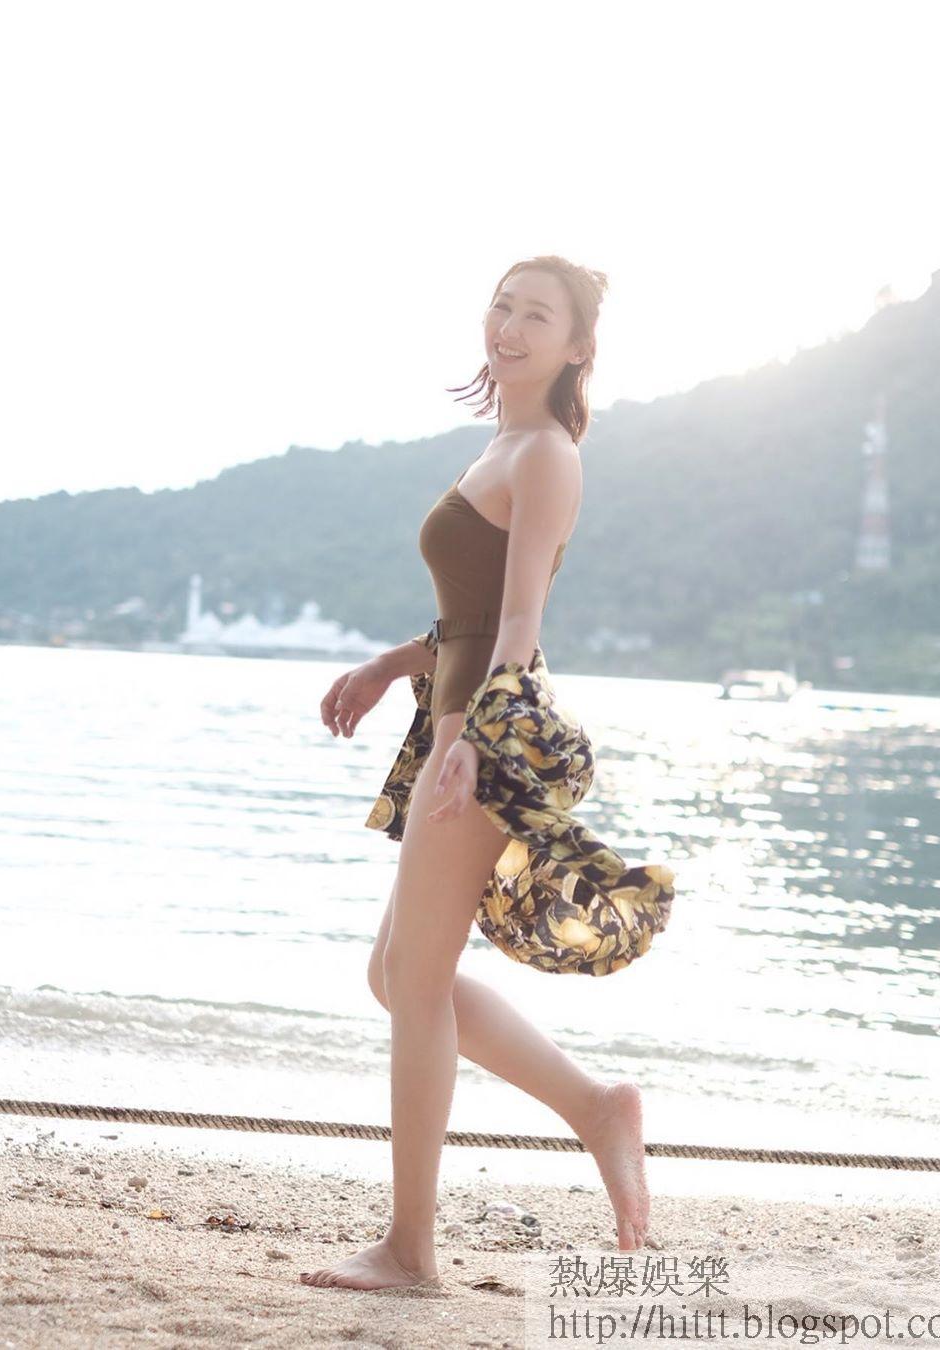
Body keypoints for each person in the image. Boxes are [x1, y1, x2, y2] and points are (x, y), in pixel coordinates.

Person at [304, 257, 651, 1292]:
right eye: (503, 304)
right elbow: (469, 613)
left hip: (485, 732)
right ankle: (595, 1107)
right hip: (455, 716)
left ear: (576, 347)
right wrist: (390, 665)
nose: (510, 325)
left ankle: (410, 1251)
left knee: (412, 984)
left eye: (537, 315)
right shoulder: (503, 446)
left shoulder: (546, 454)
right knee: (396, 976)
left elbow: (520, 621)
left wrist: (473, 740)